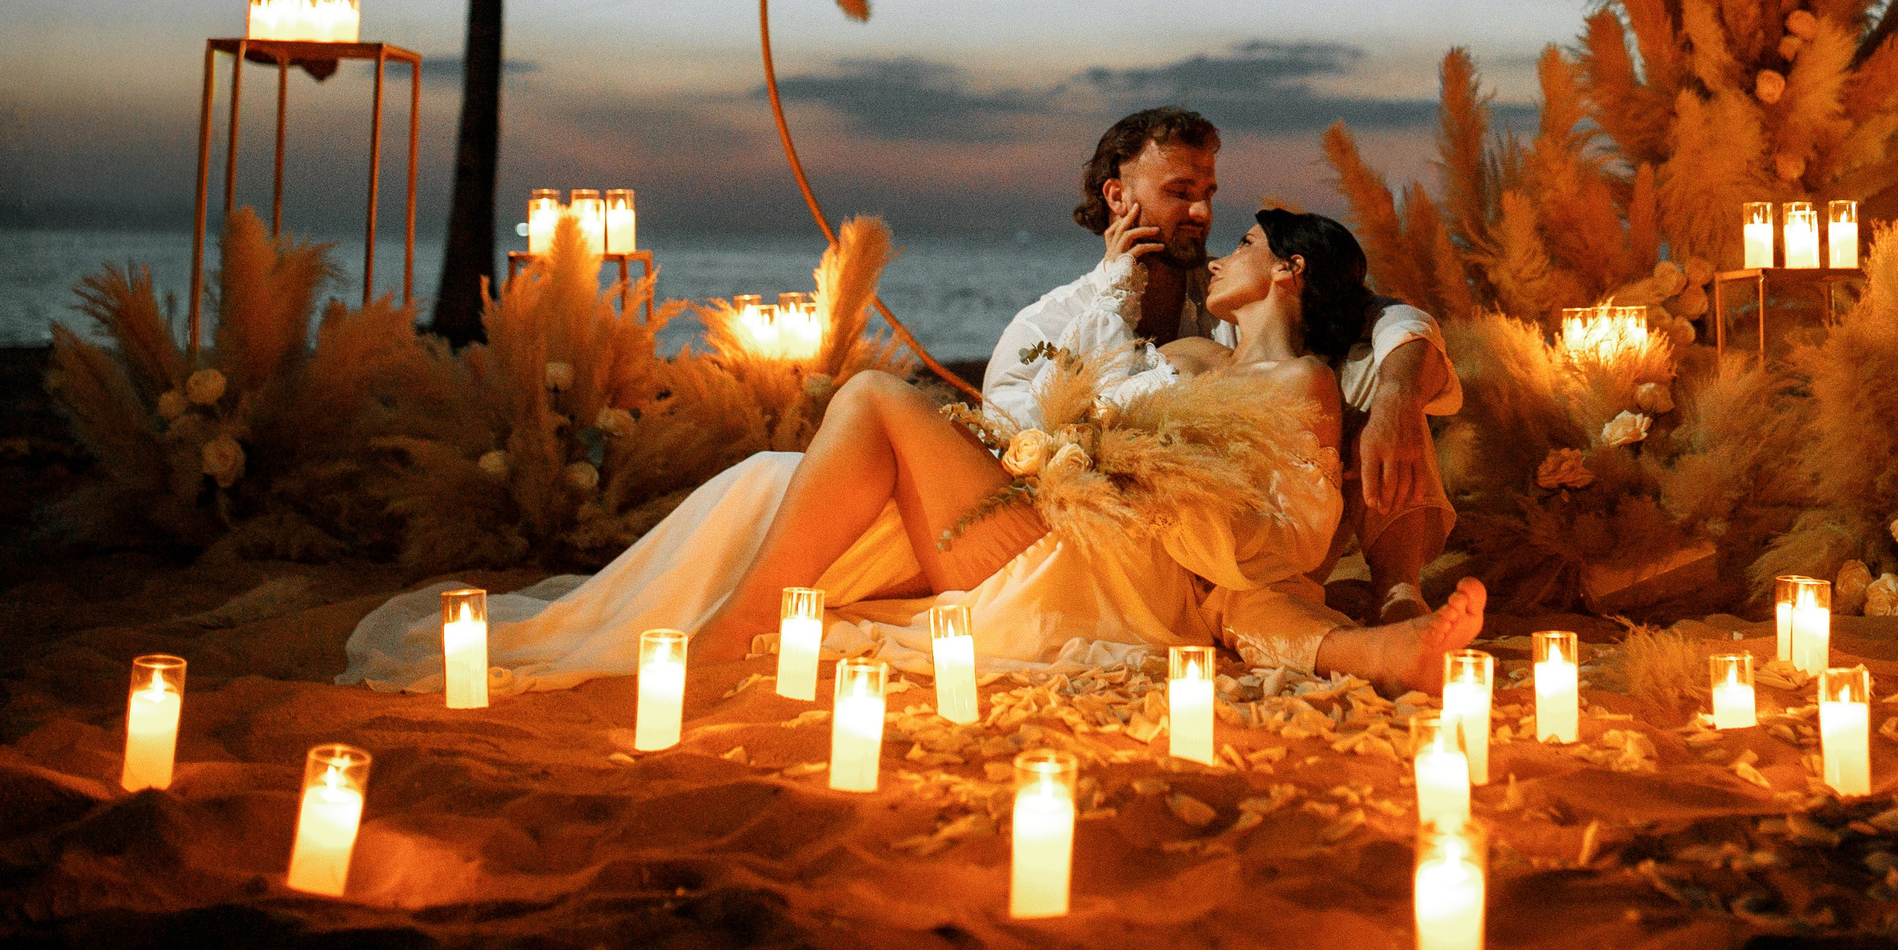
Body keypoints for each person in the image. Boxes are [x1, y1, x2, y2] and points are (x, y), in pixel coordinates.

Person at [339, 210, 1482, 698]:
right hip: (1060, 521)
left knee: (881, 396)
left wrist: (1133, 486)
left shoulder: (1298, 382)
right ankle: (722, 605)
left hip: (1103, 565)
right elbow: (1062, 397)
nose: (1219, 245)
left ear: (1288, 271)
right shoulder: (1190, 356)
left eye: (1241, 240)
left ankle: (735, 634)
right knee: (776, 480)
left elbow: (1280, 540)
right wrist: (1063, 449)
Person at [986, 109, 1461, 656]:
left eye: (1209, 191)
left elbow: (1390, 317)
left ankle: (1398, 592)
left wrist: (1397, 401)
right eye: (1180, 191)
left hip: (1255, 533)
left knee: (1386, 372)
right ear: (1117, 197)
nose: (1202, 212)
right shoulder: (1046, 324)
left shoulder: (1235, 298)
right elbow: (1017, 442)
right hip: (1121, 531)